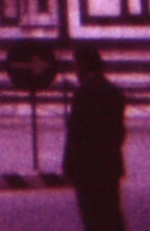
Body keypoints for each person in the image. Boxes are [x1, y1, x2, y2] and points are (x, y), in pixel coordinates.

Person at [63, 45, 127, 231]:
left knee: (93, 217)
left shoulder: (83, 93)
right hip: (110, 166)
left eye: (76, 65)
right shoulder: (114, 92)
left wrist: (69, 165)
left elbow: (76, 133)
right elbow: (119, 131)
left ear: (83, 65)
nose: (75, 70)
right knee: (112, 214)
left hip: (88, 169)